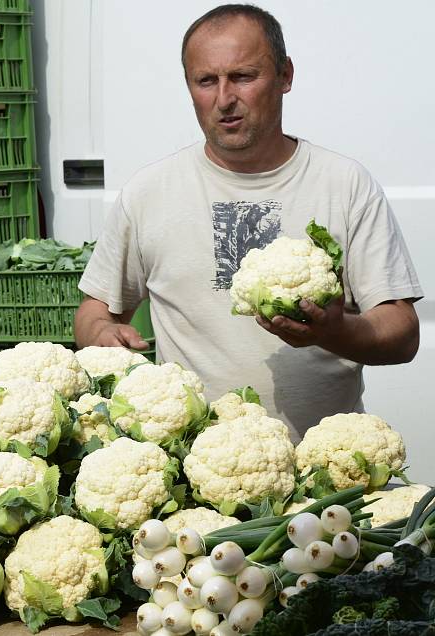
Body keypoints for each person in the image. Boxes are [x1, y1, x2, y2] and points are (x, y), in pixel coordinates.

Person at [73, 3, 422, 441]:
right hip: (191, 465)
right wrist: (102, 332)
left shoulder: (345, 184)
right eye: (206, 81)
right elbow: (94, 310)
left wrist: (336, 332)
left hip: (322, 469)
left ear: (285, 76)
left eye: (242, 76)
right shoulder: (148, 192)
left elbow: (402, 332)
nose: (224, 99)